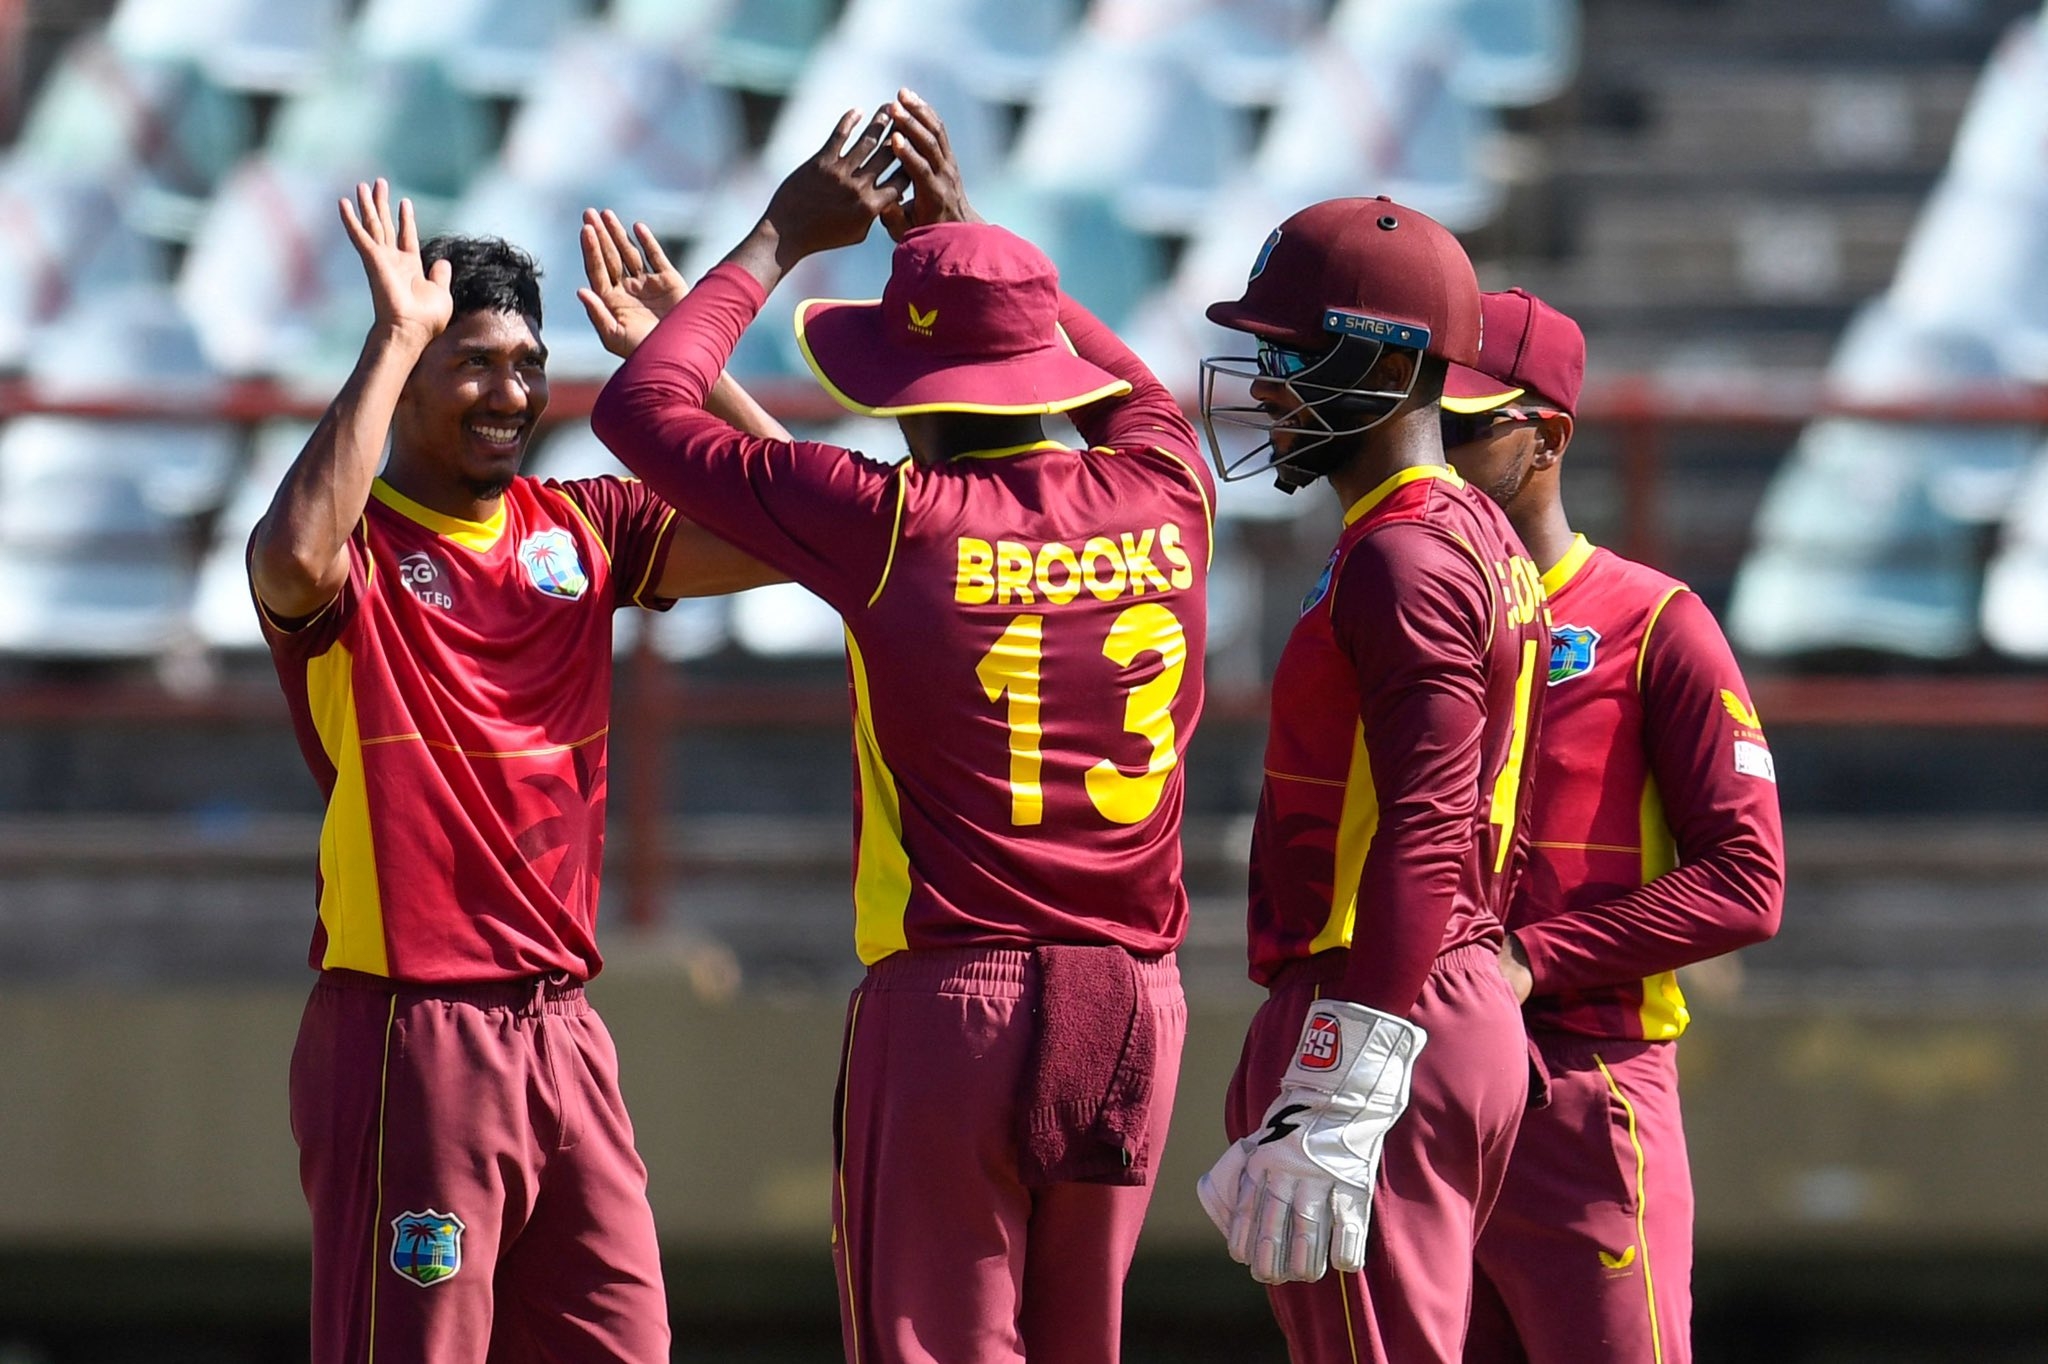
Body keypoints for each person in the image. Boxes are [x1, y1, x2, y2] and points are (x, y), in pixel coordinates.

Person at [587, 92, 1211, 1364]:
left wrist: (774, 238)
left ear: (906, 382)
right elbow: (1132, 391)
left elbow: (640, 413)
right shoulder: (1169, 485)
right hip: (1134, 998)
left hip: (956, 1001)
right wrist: (980, 249)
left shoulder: (891, 519)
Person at [248, 178, 782, 1363]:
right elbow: (288, 557)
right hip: (411, 1033)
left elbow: (810, 524)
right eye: (475, 361)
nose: (511, 391)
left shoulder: (581, 528)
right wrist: (393, 334)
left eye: (529, 364)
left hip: (563, 1031)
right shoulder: (358, 550)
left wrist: (687, 352)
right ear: (412, 374)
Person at [1191, 197, 1548, 1364]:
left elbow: (1427, 817)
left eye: (1290, 357)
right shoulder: (1452, 532)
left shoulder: (1402, 551)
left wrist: (1347, 1074)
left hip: (1388, 987)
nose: (1266, 387)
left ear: (1383, 360)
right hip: (1424, 990)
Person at [1438, 288, 1785, 1364]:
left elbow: (1747, 876)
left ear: (1545, 434)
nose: (1431, 452)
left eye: (1461, 427)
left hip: (1584, 1090)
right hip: (1429, 1088)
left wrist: (1529, 961)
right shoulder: (1400, 606)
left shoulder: (1654, 621)